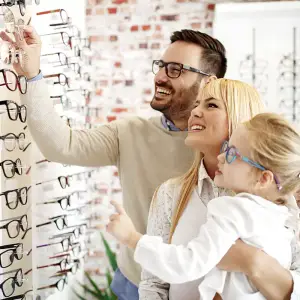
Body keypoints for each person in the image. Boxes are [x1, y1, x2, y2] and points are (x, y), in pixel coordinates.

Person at [1, 27, 299, 300]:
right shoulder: (132, 137)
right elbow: (61, 145)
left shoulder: (262, 174)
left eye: (175, 69)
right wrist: (32, 75)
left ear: (209, 82)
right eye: (160, 66)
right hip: (138, 280)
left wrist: (255, 263)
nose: (159, 77)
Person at [107, 111, 300, 299]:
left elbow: (187, 265)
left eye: (232, 153)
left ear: (263, 178)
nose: (222, 157)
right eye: (226, 148)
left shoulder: (233, 210)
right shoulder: (281, 219)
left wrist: (131, 237)